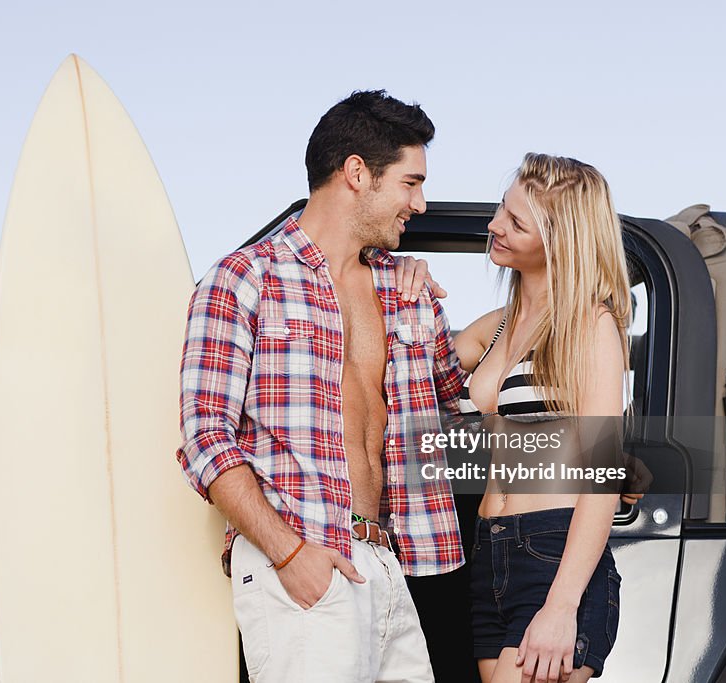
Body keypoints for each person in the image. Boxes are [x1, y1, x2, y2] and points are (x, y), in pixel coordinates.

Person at [176, 90, 469, 683]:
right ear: (357, 172)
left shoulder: (400, 288)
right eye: (410, 183)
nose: (420, 202)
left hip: (386, 564)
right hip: (304, 559)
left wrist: (550, 294)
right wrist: (289, 555)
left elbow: (458, 394)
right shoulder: (244, 279)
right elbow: (206, 437)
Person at [452, 153, 631, 682]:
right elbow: (411, 359)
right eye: (501, 211)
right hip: (489, 552)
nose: (494, 227)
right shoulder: (497, 324)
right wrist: (404, 274)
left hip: (551, 554)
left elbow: (601, 480)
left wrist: (561, 606)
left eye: (514, 222)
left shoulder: (591, 327)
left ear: (560, 240)